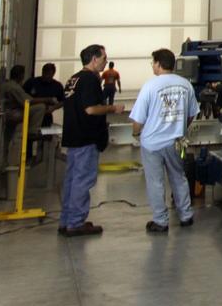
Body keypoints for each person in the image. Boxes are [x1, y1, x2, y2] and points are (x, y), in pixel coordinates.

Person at [130, 48, 198, 233]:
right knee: (179, 178)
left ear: (159, 64)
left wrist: (136, 133)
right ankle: (186, 215)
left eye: (153, 62)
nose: (152, 66)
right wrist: (180, 128)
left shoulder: (150, 86)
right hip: (176, 142)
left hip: (152, 143)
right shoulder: (186, 85)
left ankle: (160, 221)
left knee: (156, 182)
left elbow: (138, 120)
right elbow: (192, 114)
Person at [61, 44, 126, 237]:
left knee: (72, 180)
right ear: (94, 59)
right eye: (104, 58)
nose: (106, 62)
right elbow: (90, 109)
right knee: (82, 180)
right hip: (86, 137)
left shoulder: (74, 79)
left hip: (73, 136)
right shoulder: (90, 79)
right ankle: (75, 222)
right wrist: (113, 109)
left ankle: (67, 220)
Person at [0, 66, 55, 156]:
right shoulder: (14, 87)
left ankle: (4, 159)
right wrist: (47, 100)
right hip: (12, 113)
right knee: (40, 107)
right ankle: (32, 131)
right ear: (21, 75)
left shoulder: (8, 85)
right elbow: (27, 101)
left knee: (7, 138)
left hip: (9, 112)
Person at [23, 63, 65, 127]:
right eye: (45, 74)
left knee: (45, 134)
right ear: (42, 72)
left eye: (49, 75)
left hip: (46, 116)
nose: (47, 76)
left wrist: (53, 108)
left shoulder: (57, 86)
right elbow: (24, 98)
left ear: (53, 74)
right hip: (31, 114)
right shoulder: (32, 82)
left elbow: (63, 101)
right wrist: (47, 100)